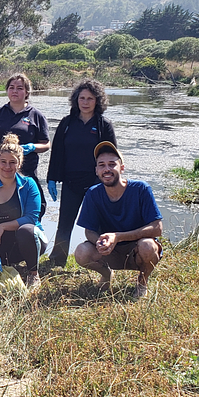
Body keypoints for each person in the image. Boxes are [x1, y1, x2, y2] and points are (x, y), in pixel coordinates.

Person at [74, 141, 163, 299]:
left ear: (122, 168)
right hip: (111, 251)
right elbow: (89, 231)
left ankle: (142, 282)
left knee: (148, 246)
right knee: (81, 252)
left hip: (137, 250)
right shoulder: (93, 194)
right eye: (101, 165)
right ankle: (106, 275)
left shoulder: (141, 189)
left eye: (111, 164)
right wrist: (100, 242)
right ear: (96, 171)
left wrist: (119, 237)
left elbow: (157, 228)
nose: (106, 169)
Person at [45, 79, 117, 267]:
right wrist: (52, 178)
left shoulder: (104, 125)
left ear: (97, 101)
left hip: (96, 183)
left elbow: (112, 156)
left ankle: (104, 258)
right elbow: (57, 152)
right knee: (65, 223)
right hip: (71, 182)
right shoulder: (67, 123)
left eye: (90, 98)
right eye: (82, 98)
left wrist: (111, 182)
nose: (85, 102)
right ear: (76, 100)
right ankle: (57, 260)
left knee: (99, 224)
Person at [0, 73, 50, 218]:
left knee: (30, 213)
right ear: (7, 90)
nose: (15, 91)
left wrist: (32, 147)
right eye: (11, 87)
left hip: (26, 173)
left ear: (26, 92)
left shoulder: (36, 116)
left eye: (20, 88)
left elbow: (46, 144)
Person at [0, 134, 49, 289]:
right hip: (1, 242)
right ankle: (4, 264)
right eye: (3, 162)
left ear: (19, 163)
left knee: (26, 231)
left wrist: (3, 226)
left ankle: (33, 274)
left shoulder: (29, 185)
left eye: (12, 162)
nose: (7, 167)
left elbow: (31, 218)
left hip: (29, 240)